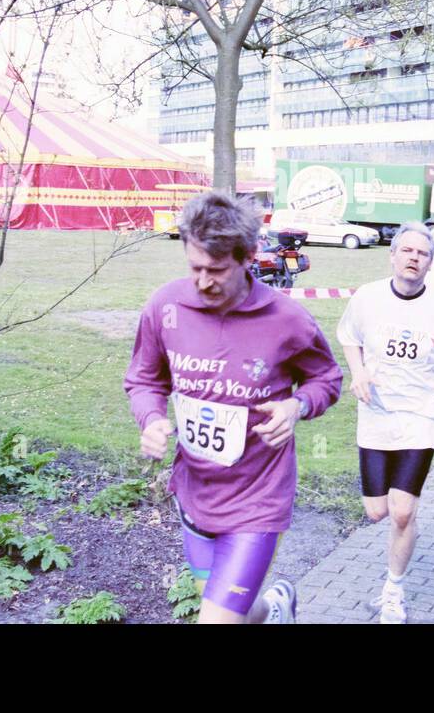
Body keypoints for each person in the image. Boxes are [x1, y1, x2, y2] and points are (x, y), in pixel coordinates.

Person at [124, 191, 343, 624]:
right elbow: (145, 379)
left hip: (257, 498)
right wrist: (150, 419)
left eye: (217, 270)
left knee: (217, 622)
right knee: (234, 610)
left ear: (248, 258)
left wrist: (297, 406)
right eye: (195, 268)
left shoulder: (287, 319)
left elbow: (327, 379)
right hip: (194, 492)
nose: (204, 281)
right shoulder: (165, 307)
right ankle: (277, 608)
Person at [337, 223, 434, 624]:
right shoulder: (368, 298)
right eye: (406, 251)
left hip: (420, 415)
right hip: (376, 413)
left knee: (402, 512)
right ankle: (400, 524)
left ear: (431, 263)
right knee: (377, 512)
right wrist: (357, 372)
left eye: (422, 253)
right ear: (392, 255)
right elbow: (348, 337)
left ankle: (393, 590)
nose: (413, 258)